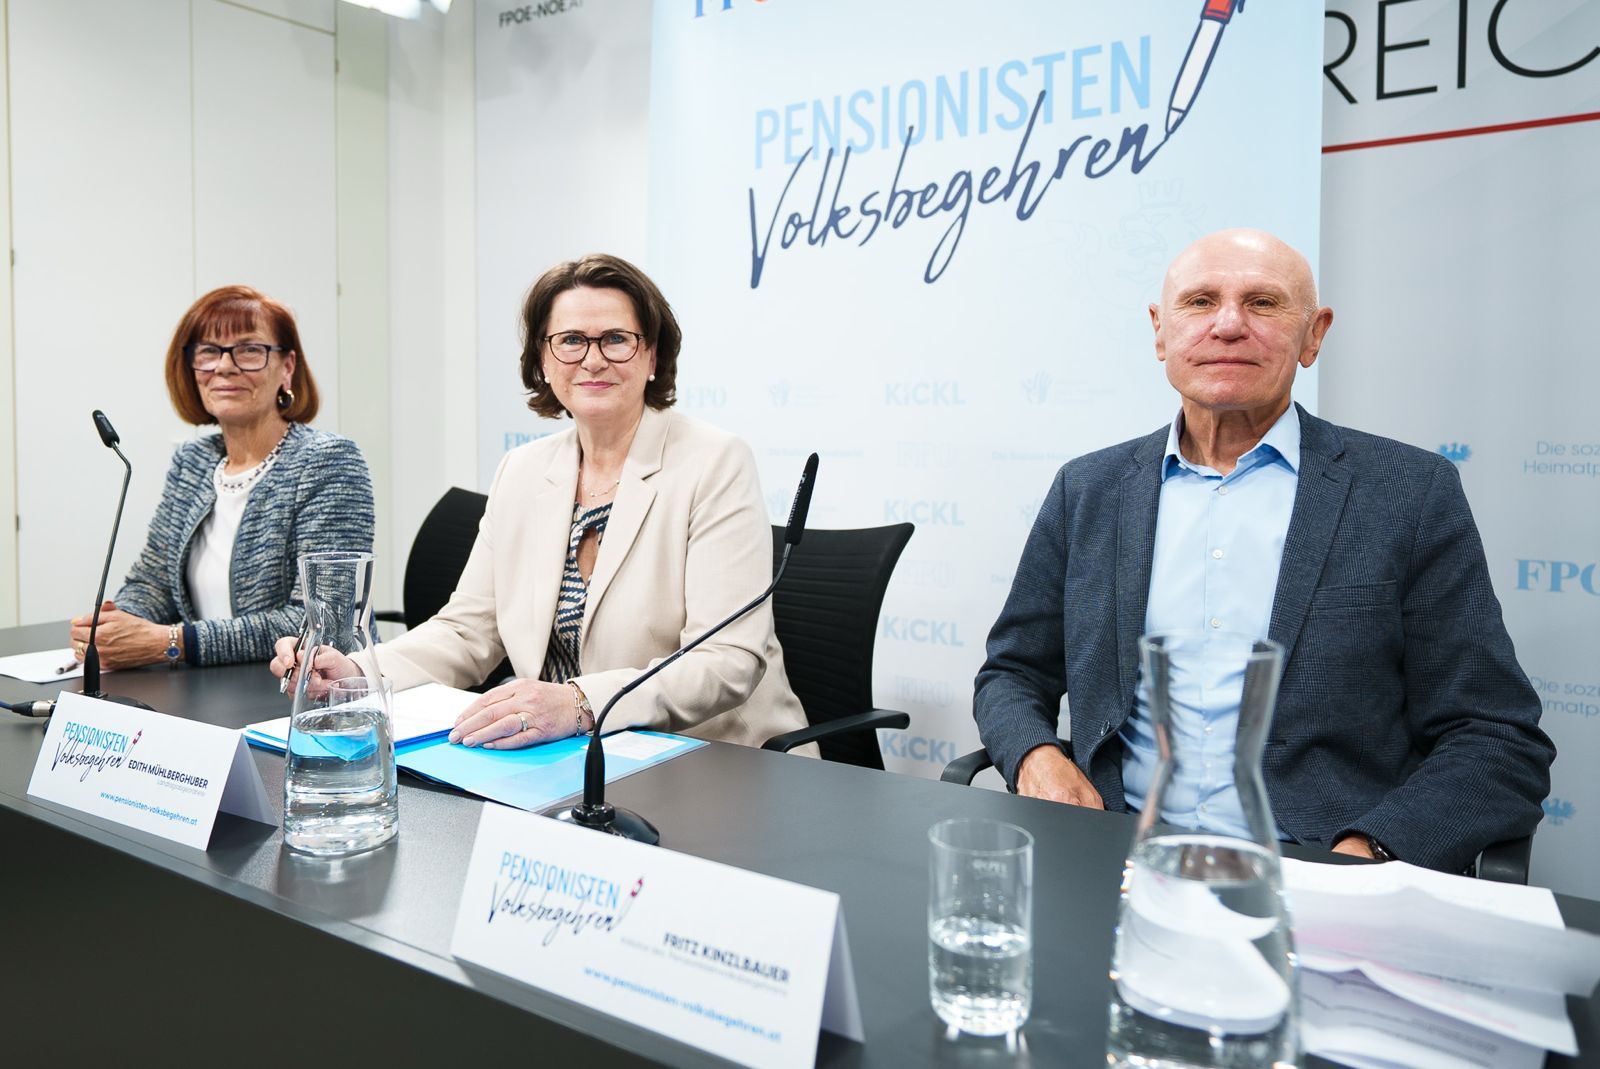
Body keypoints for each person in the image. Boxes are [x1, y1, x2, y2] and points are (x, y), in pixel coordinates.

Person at [972, 228, 1553, 873]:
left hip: (1311, 871)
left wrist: (1367, 854)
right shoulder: (1089, 489)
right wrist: (1037, 756)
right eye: (1199, 302)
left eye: (1263, 303)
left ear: (1315, 335)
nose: (1227, 325)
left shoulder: (1407, 493)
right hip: (1111, 857)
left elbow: (1497, 739)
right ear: (1160, 331)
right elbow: (1012, 674)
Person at [272, 253, 811, 753]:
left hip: (708, 759)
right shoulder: (523, 470)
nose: (593, 360)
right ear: (544, 362)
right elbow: (468, 631)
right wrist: (359, 671)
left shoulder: (714, 461)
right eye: (571, 340)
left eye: (617, 339)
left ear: (652, 356)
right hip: (564, 753)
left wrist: (579, 701)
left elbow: (726, 662)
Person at [68, 286, 374, 669]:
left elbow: (322, 621)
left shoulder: (328, 461)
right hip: (209, 686)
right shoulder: (193, 460)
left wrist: (172, 641)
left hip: (307, 691)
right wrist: (115, 630)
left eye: (249, 350)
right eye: (209, 351)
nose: (224, 366)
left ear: (287, 367)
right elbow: (154, 581)